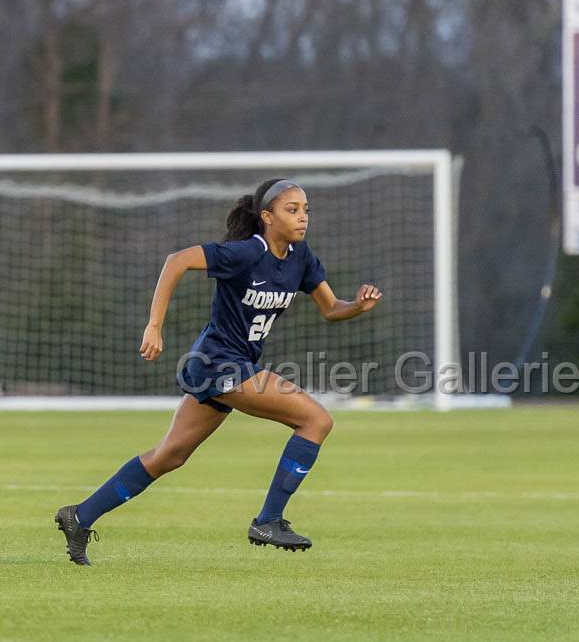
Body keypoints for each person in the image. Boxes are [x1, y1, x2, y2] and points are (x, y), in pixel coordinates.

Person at [54, 178, 381, 565]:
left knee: (168, 457)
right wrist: (154, 325)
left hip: (230, 367)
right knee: (316, 420)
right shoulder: (244, 253)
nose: (302, 217)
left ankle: (79, 516)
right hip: (217, 363)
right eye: (291, 210)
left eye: (305, 210)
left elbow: (330, 308)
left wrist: (357, 306)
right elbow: (176, 261)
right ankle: (268, 520)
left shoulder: (301, 257)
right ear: (266, 217)